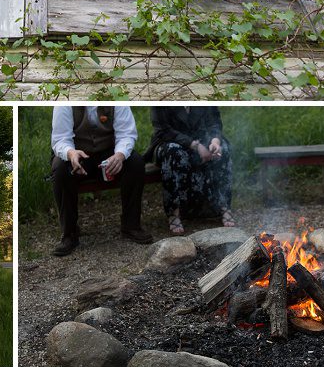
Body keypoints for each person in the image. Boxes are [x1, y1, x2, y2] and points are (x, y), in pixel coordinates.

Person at [50, 106, 153, 256]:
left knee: (135, 163)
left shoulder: (116, 99)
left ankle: (131, 226)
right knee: (60, 169)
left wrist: (120, 155)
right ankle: (69, 234)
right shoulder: (64, 104)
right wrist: (71, 154)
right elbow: (60, 139)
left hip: (108, 152)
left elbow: (126, 134)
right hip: (77, 153)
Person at [146, 106, 234, 236]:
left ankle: (224, 207)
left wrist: (214, 142)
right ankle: (174, 213)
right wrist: (195, 145)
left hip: (202, 139)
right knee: (175, 153)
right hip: (170, 142)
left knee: (223, 150)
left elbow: (214, 122)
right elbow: (163, 131)